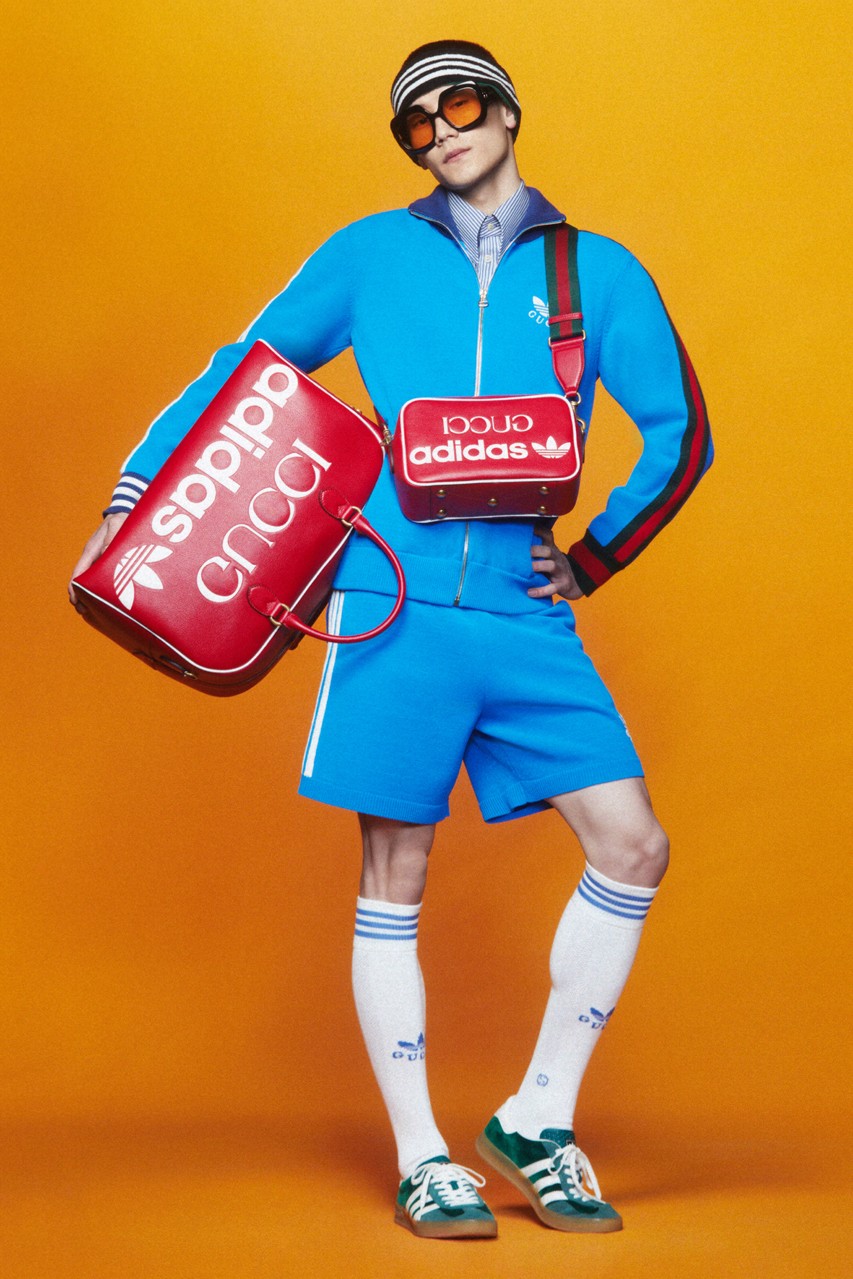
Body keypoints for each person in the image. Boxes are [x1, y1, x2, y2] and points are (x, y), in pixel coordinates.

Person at [70, 40, 712, 1240]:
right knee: (394, 872)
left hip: (524, 616)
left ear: (506, 110)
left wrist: (592, 559)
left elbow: (679, 433)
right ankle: (424, 1155)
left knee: (632, 845)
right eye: (415, 123)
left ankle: (538, 1117)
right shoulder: (366, 254)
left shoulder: (595, 271)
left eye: (458, 104)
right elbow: (247, 370)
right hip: (389, 605)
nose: (439, 131)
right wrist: (137, 488)